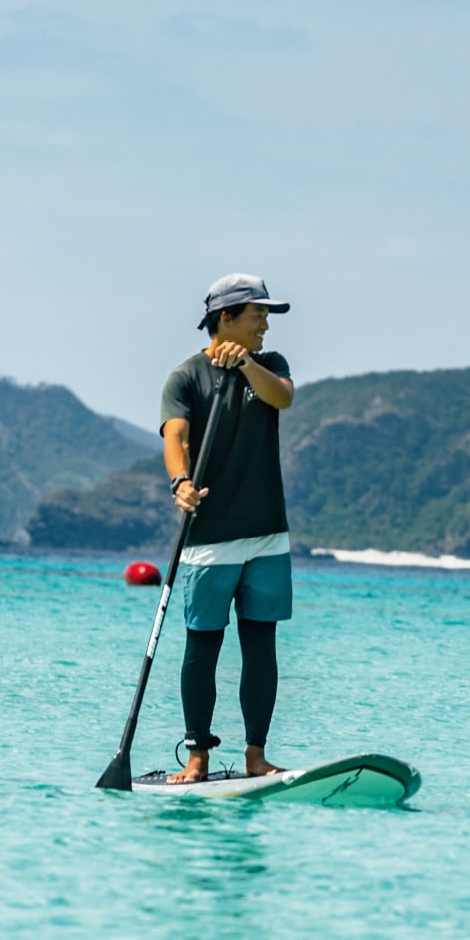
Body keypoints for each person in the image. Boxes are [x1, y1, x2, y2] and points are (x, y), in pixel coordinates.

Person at [161, 273, 297, 783]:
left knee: (261, 646)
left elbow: (281, 397)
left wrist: (244, 364)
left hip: (266, 533)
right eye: (258, 314)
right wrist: (180, 482)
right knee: (204, 644)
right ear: (227, 318)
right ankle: (197, 756)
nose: (265, 324)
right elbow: (176, 434)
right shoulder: (186, 378)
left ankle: (256, 755)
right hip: (210, 534)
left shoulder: (270, 365)